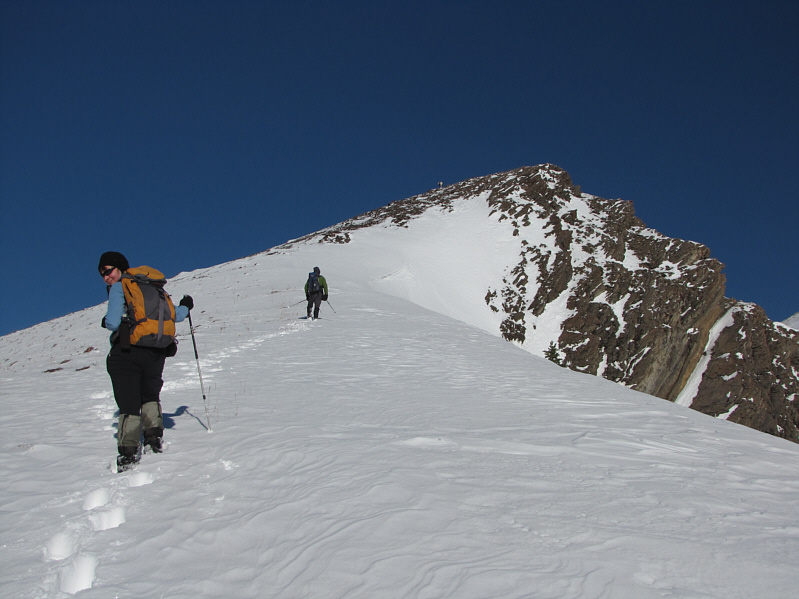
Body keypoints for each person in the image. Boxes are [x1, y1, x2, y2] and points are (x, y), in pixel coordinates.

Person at [98, 251, 193, 471]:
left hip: (127, 350)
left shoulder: (121, 286)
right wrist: (186, 305)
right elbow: (176, 315)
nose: (105, 276)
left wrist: (106, 321)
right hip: (155, 352)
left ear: (120, 268)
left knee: (128, 401)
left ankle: (129, 454)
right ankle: (153, 439)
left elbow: (113, 323)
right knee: (150, 394)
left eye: (108, 270)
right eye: (102, 273)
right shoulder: (155, 287)